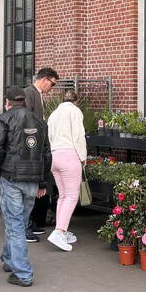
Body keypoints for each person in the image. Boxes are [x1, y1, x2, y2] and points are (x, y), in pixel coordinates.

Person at [0, 86, 51, 287]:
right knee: (19, 222)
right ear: (23, 101)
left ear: (7, 102)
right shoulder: (40, 122)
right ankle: (9, 259)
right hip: (33, 176)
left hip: (12, 175)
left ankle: (23, 273)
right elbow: (46, 153)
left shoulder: (4, 119)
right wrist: (43, 180)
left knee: (15, 224)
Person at [46, 89, 87, 251]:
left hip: (54, 156)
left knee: (63, 196)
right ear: (76, 101)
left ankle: (62, 230)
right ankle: (59, 231)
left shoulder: (54, 114)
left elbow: (48, 136)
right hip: (70, 155)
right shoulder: (75, 112)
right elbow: (78, 136)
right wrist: (83, 157)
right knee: (71, 196)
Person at [24, 67, 58, 241]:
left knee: (34, 188)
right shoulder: (29, 93)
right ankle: (27, 226)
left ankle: (32, 223)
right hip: (31, 148)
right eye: (52, 84)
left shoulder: (36, 94)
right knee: (29, 189)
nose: (51, 88)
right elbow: (27, 121)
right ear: (46, 79)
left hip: (35, 146)